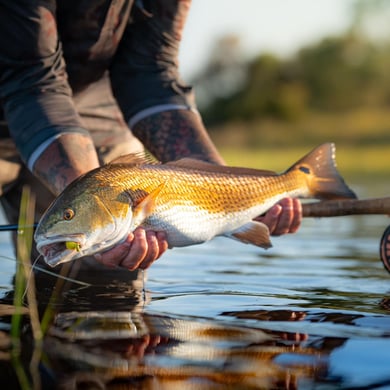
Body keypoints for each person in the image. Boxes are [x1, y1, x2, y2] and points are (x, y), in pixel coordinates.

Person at [0, 0, 302, 271]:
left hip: (93, 95)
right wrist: (88, 195)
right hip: (24, 85)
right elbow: (32, 78)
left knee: (104, 284)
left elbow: (149, 71)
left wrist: (232, 197)